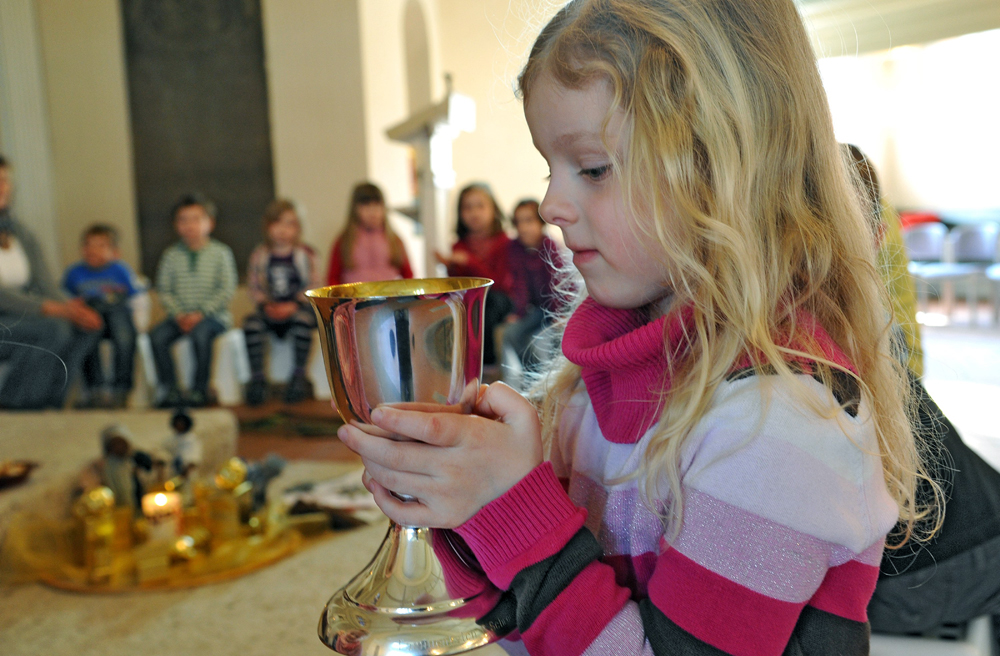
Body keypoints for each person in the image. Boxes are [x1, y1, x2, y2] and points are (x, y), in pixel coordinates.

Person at [337, 1, 934, 654]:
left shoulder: (782, 426)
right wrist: (457, 509)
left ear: (726, 167)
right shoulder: (587, 390)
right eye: (551, 168)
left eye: (592, 168)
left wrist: (512, 510)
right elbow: (539, 630)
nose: (551, 205)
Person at [0, 154, 104, 409]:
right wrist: (58, 310)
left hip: (24, 317)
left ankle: (51, 403)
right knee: (53, 330)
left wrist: (75, 311)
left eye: (3, 180)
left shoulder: (21, 233)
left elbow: (46, 284)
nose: (1, 187)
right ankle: (15, 405)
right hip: (7, 318)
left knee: (87, 325)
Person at [149, 193, 237, 408]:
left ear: (210, 223)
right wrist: (178, 314)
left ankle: (200, 389)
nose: (189, 225)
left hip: (213, 317)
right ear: (175, 225)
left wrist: (201, 313)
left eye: (196, 219)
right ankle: (170, 389)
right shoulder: (170, 255)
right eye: (183, 220)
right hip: (178, 317)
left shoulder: (221, 253)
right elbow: (164, 289)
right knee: (157, 336)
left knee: (201, 334)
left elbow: (226, 289)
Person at [243, 199, 320, 406]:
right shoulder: (260, 255)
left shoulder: (306, 255)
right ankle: (258, 379)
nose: (283, 230)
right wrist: (267, 304)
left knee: (304, 323)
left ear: (298, 228)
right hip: (270, 308)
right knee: (251, 324)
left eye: (290, 224)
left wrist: (294, 304)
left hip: (298, 308)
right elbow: (254, 286)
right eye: (277, 223)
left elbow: (314, 286)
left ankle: (298, 376)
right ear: (267, 226)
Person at [62, 224, 143, 408]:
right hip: (90, 315)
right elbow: (66, 299)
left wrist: (140, 322)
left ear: (115, 252)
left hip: (117, 313)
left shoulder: (121, 270)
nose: (93, 250)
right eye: (88, 245)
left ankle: (121, 389)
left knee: (125, 338)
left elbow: (136, 298)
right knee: (85, 338)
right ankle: (95, 389)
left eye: (101, 246)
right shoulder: (74, 273)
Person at [436, 183, 514, 366]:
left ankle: (486, 363)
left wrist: (470, 262)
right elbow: (457, 284)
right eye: (468, 207)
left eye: (480, 206)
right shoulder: (459, 245)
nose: (474, 213)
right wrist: (451, 265)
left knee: (487, 303)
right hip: (472, 296)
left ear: (493, 209)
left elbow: (499, 282)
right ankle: (451, 362)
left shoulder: (504, 242)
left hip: (500, 299)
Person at [501, 199, 564, 384]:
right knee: (511, 333)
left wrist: (559, 314)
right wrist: (518, 313)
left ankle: (557, 381)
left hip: (558, 308)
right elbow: (519, 284)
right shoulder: (515, 248)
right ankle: (534, 377)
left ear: (541, 223)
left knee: (558, 337)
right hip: (537, 309)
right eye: (518, 222)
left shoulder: (550, 246)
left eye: (529, 221)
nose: (523, 227)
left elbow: (558, 284)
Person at [326, 182, 413, 286]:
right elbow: (333, 278)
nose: (372, 211)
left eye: (377, 205)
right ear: (355, 209)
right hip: (354, 300)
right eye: (366, 205)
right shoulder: (344, 241)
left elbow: (409, 277)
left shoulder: (394, 240)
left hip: (390, 300)